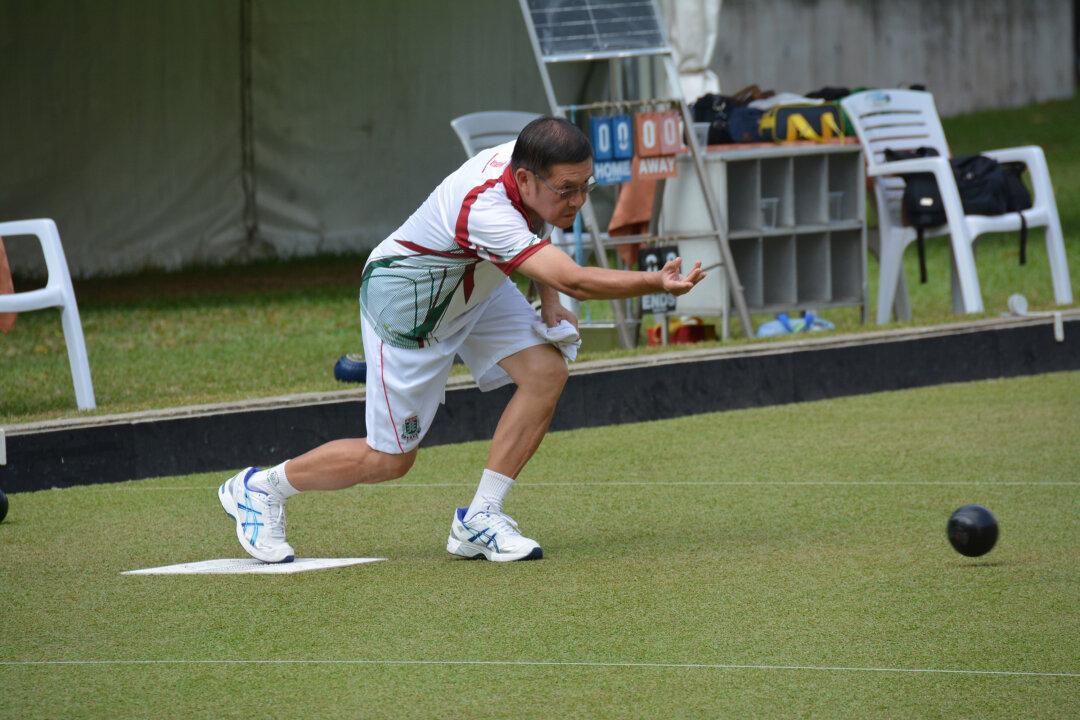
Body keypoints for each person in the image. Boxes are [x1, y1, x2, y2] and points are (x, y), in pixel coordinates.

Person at [218, 116, 704, 563]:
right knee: (390, 460)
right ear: (525, 179)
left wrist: (549, 303)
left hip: (474, 284)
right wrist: (652, 282)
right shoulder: (485, 207)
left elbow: (545, 222)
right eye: (567, 189)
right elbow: (574, 277)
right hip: (409, 308)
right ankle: (260, 488)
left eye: (585, 186)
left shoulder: (532, 169)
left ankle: (480, 519)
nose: (577, 200)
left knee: (546, 372)